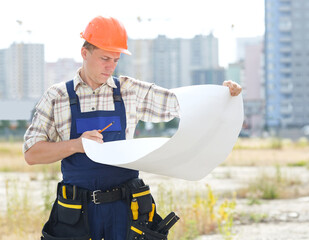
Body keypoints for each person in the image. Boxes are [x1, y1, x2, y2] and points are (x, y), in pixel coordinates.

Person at [23, 16, 242, 240]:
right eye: (104, 58)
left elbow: (183, 102)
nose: (110, 66)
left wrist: (223, 93)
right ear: (84, 53)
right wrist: (76, 145)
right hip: (77, 214)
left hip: (125, 212)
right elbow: (31, 154)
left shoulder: (129, 91)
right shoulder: (57, 97)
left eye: (116, 60)